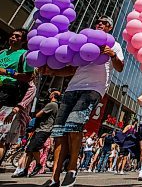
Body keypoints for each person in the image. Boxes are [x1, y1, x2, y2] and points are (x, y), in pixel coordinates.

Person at [40, 16, 124, 187]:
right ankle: (54, 177)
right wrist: (52, 72)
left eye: (105, 23)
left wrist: (113, 55)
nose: (100, 24)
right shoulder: (83, 42)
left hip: (94, 89)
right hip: (72, 88)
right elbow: (71, 69)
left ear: (110, 27)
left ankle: (72, 169)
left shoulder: (113, 44)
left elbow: (120, 67)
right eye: (98, 21)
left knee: (74, 126)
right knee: (59, 133)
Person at [0, 28, 35, 163]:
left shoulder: (24, 55)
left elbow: (28, 77)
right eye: (12, 35)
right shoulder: (2, 53)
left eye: (18, 36)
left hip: (10, 95)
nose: (13, 38)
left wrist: (6, 72)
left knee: (2, 137)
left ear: (24, 41)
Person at [12, 90, 61, 178]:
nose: (49, 94)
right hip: (40, 129)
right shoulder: (54, 105)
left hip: (44, 130)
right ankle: (25, 170)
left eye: (51, 93)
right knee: (29, 150)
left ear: (53, 95)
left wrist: (40, 111)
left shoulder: (52, 105)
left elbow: (38, 115)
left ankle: (38, 164)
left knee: (34, 148)